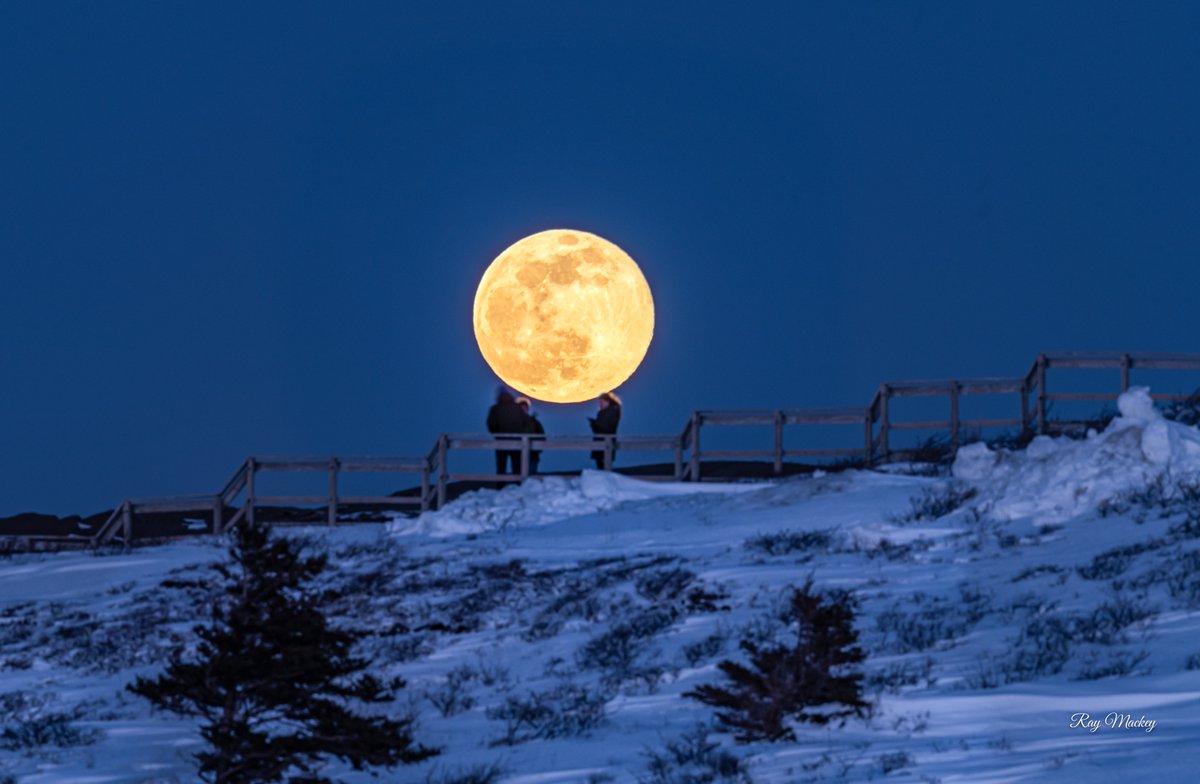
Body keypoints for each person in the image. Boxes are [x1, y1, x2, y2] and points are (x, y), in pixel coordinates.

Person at [486, 387, 529, 479]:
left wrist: (497, 434)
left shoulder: (495, 409)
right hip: (517, 441)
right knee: (517, 465)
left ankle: (500, 486)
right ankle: (518, 485)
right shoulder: (517, 408)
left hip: (501, 441)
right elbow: (526, 422)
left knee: (501, 465)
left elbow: (491, 424)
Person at [588, 391, 621, 469]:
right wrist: (594, 424)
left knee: (605, 465)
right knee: (600, 464)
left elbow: (607, 428)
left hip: (606, 442)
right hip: (600, 442)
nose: (600, 404)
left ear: (607, 401)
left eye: (601, 402)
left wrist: (595, 424)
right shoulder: (602, 412)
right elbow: (598, 429)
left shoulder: (612, 412)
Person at [516, 396, 545, 474]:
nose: (523, 409)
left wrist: (537, 449)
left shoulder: (534, 422)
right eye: (521, 408)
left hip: (533, 455)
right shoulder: (514, 423)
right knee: (518, 476)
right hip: (518, 455)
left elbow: (541, 436)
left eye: (524, 407)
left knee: (532, 478)